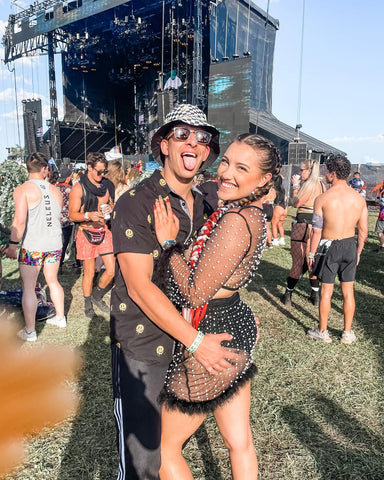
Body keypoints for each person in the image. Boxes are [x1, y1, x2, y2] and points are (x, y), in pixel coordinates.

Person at [110, 104, 238, 479]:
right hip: (145, 347)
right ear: (164, 145)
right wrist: (197, 342)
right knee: (143, 462)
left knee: (169, 448)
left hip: (190, 343)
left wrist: (237, 311)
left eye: (202, 138)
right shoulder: (136, 202)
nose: (193, 143)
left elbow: (214, 274)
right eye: (182, 134)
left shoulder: (209, 205)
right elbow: (138, 287)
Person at [153, 133, 281, 479]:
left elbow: (195, 293)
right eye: (226, 161)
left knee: (162, 450)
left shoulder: (237, 221)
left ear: (265, 179)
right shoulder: (248, 214)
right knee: (239, 442)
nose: (226, 172)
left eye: (242, 168)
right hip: (232, 324)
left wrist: (168, 242)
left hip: (211, 337)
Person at [5, 152, 66, 341]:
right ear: (45, 169)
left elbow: (19, 221)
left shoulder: (22, 190)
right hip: (54, 244)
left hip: (33, 246)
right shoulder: (57, 191)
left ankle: (30, 331)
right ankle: (60, 317)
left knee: (29, 287)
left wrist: (13, 246)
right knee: (53, 281)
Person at [307, 155, 368, 344]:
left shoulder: (322, 199)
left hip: (329, 246)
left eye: (326, 171)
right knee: (348, 292)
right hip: (350, 245)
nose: (325, 174)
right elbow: (364, 232)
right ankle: (347, 333)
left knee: (327, 292)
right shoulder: (359, 198)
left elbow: (316, 231)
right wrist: (357, 252)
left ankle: (323, 331)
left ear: (333, 174)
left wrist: (311, 253)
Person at [69, 152, 115, 318]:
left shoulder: (108, 185)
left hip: (104, 231)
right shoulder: (78, 188)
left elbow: (112, 203)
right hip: (86, 232)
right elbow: (72, 215)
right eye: (99, 171)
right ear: (89, 167)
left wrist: (111, 207)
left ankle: (97, 296)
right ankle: (88, 303)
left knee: (111, 269)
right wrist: (88, 215)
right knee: (89, 272)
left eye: (104, 172)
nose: (102, 175)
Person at [281, 160, 325, 306]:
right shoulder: (322, 185)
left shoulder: (309, 185)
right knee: (311, 261)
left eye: (302, 170)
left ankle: (288, 295)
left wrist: (295, 186)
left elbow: (296, 203)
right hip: (317, 226)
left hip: (303, 224)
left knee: (297, 263)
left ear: (309, 171)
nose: (300, 173)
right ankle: (315, 296)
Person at [56, 166, 74, 274]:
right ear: (68, 178)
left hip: (54, 220)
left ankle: (54, 264)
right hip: (67, 221)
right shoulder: (70, 190)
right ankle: (59, 265)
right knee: (64, 243)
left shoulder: (53, 188)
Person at [271, 174, 288, 246]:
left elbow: (272, 199)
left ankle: (275, 240)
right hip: (284, 207)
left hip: (278, 207)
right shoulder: (283, 189)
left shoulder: (274, 189)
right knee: (280, 224)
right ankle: (282, 239)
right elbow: (285, 198)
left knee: (274, 224)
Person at [374, 182, 384, 252]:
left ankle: (383, 246)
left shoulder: (382, 194)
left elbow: (377, 201)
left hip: (382, 217)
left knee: (380, 231)